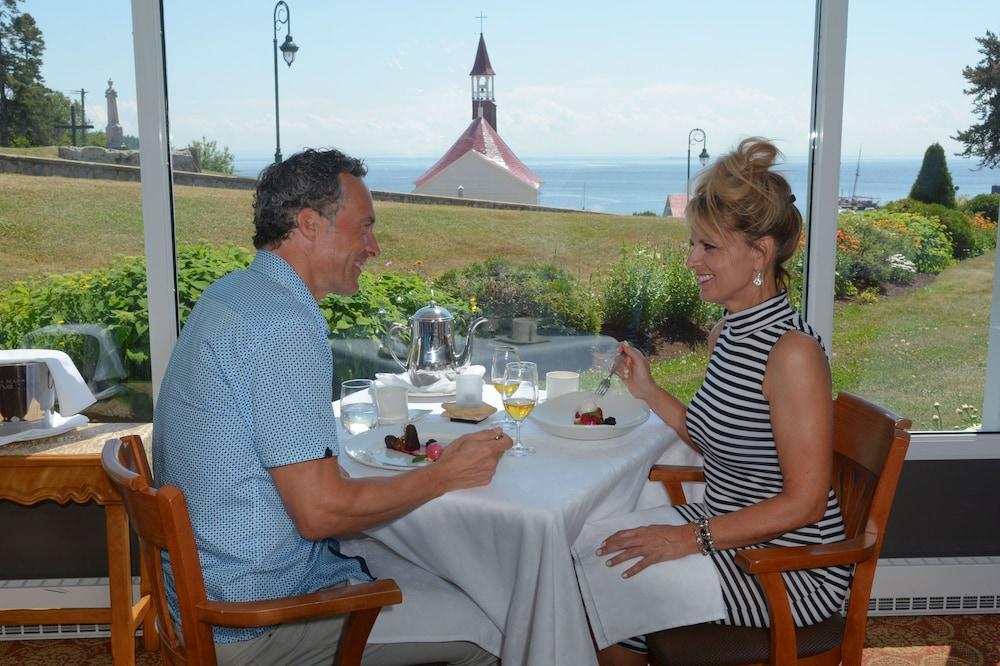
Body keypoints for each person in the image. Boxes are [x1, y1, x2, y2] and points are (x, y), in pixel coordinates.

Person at [152, 148, 511, 666]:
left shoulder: (231, 294)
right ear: (309, 224)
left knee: (410, 559)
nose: (374, 246)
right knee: (495, 625)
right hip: (255, 617)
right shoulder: (285, 325)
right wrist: (446, 475)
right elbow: (319, 513)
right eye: (364, 227)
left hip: (203, 591)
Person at [595, 138, 849, 665]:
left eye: (707, 247)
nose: (691, 261)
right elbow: (715, 437)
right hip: (728, 536)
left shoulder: (792, 354)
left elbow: (804, 503)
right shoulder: (730, 331)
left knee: (602, 582)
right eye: (693, 244)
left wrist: (689, 538)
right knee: (589, 550)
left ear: (760, 253)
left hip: (787, 568)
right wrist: (648, 390)